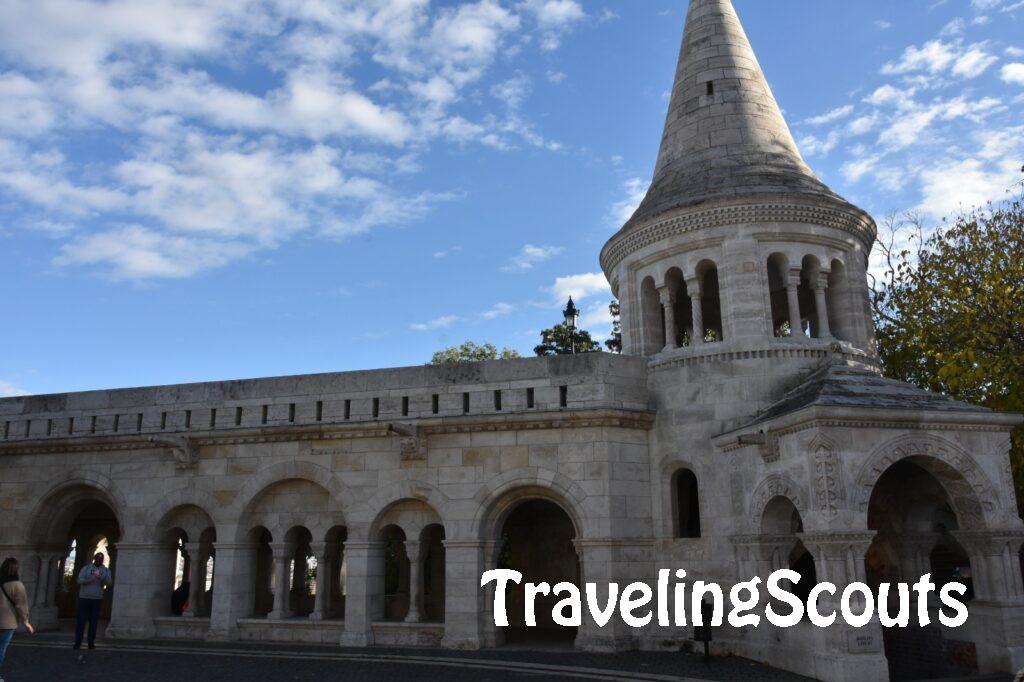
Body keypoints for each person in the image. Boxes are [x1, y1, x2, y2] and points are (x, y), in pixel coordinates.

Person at [1, 557, 34, 682]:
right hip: (8, 622)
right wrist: (26, 622)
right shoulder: (17, 585)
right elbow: (21, 605)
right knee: (1, 648)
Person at [74, 552, 112, 650]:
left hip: (97, 599)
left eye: (101, 559)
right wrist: (90, 579)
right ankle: (77, 642)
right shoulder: (86, 568)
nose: (99, 560)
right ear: (94, 559)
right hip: (84, 598)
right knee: (81, 621)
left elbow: (109, 583)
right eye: (98, 558)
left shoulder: (106, 570)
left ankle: (91, 642)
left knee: (94, 622)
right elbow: (79, 581)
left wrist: (100, 579)